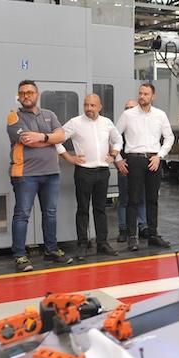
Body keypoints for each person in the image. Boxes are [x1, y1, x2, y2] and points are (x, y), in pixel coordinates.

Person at [7, 80, 72, 272]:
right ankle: (19, 256)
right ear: (19, 96)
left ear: (37, 94)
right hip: (25, 174)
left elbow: (61, 136)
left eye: (30, 92)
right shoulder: (14, 117)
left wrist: (43, 137)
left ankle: (51, 250)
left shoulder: (49, 114)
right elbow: (28, 141)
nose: (26, 96)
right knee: (22, 214)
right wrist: (50, 139)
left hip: (51, 173)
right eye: (22, 93)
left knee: (50, 213)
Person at [60, 94, 123, 260]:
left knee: (100, 209)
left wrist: (114, 154)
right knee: (82, 209)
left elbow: (118, 140)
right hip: (84, 172)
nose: (89, 108)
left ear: (100, 106)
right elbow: (57, 139)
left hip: (103, 171)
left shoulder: (107, 123)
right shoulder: (75, 123)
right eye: (86, 105)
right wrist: (69, 158)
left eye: (93, 105)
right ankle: (82, 245)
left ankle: (102, 243)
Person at [115, 83, 174, 250]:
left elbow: (169, 138)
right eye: (140, 93)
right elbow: (114, 136)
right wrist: (118, 158)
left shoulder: (160, 115)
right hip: (134, 160)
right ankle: (132, 237)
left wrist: (160, 156)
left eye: (146, 94)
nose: (142, 97)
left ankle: (153, 235)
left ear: (153, 96)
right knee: (133, 200)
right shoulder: (128, 115)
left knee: (152, 199)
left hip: (153, 160)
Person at [116, 99, 146, 242]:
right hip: (125, 167)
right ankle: (123, 229)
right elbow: (113, 143)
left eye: (132, 107)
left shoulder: (141, 126)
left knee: (141, 198)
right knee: (124, 200)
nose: (129, 110)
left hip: (140, 168)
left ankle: (143, 226)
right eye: (126, 107)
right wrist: (119, 162)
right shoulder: (121, 126)